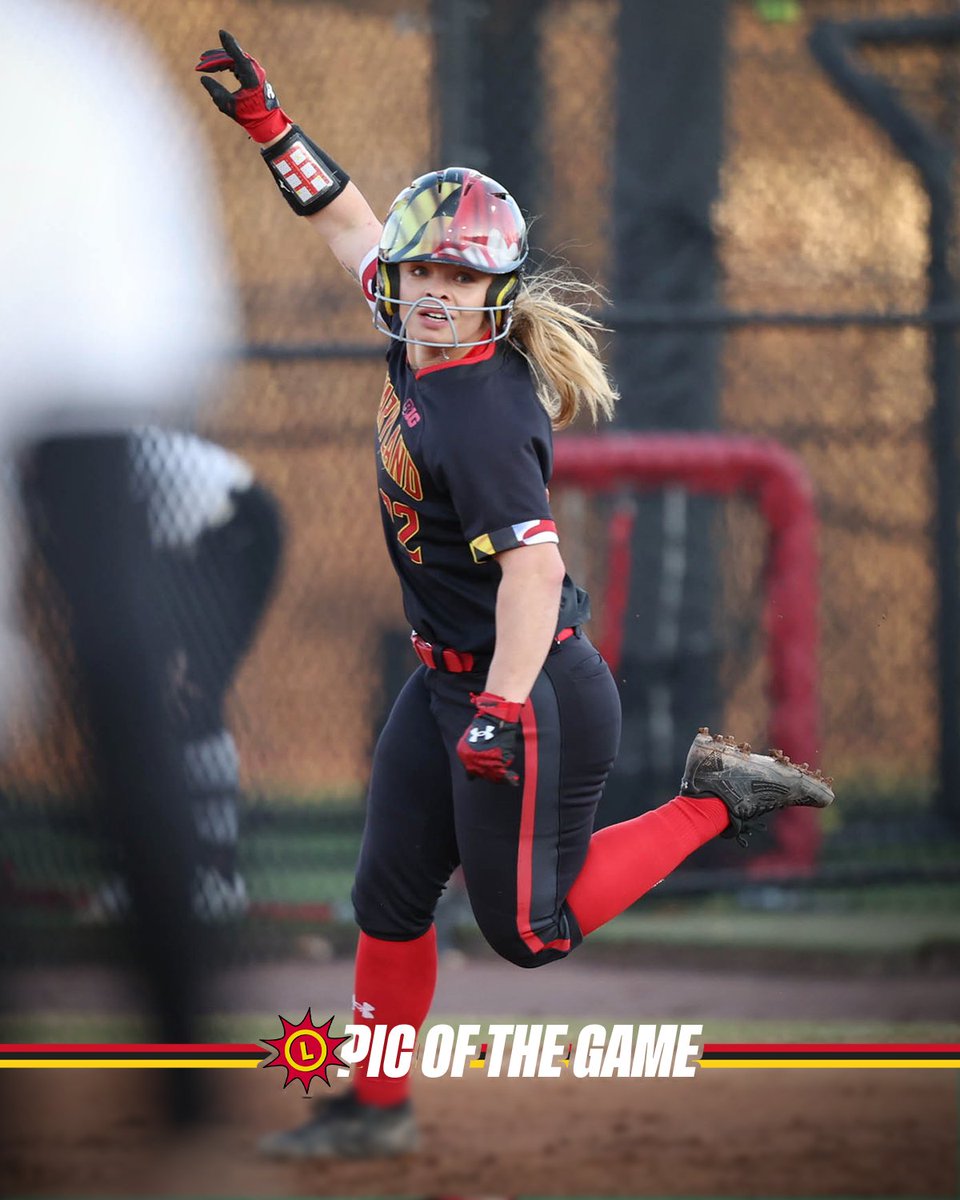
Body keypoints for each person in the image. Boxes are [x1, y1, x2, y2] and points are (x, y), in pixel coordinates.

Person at [196, 29, 835, 1158]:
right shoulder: (412, 339)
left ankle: (713, 798)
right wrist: (266, 122)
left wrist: (495, 708)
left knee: (531, 934)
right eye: (423, 271)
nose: (435, 291)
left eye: (460, 276)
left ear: (497, 292)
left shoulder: (482, 412)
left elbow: (537, 575)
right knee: (389, 897)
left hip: (529, 693)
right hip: (446, 682)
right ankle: (376, 1111)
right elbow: (351, 218)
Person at [0, 0, 236, 1128]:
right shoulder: (83, 59)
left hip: (81, 325)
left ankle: (183, 1064)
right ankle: (187, 1068)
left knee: (113, 659)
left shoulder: (74, 64)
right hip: (95, 330)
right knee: (116, 658)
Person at [80, 428, 285, 923]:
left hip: (232, 528)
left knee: (191, 698)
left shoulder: (84, 445)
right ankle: (152, 878)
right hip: (185, 550)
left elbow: (127, 552)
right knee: (142, 706)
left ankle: (217, 877)